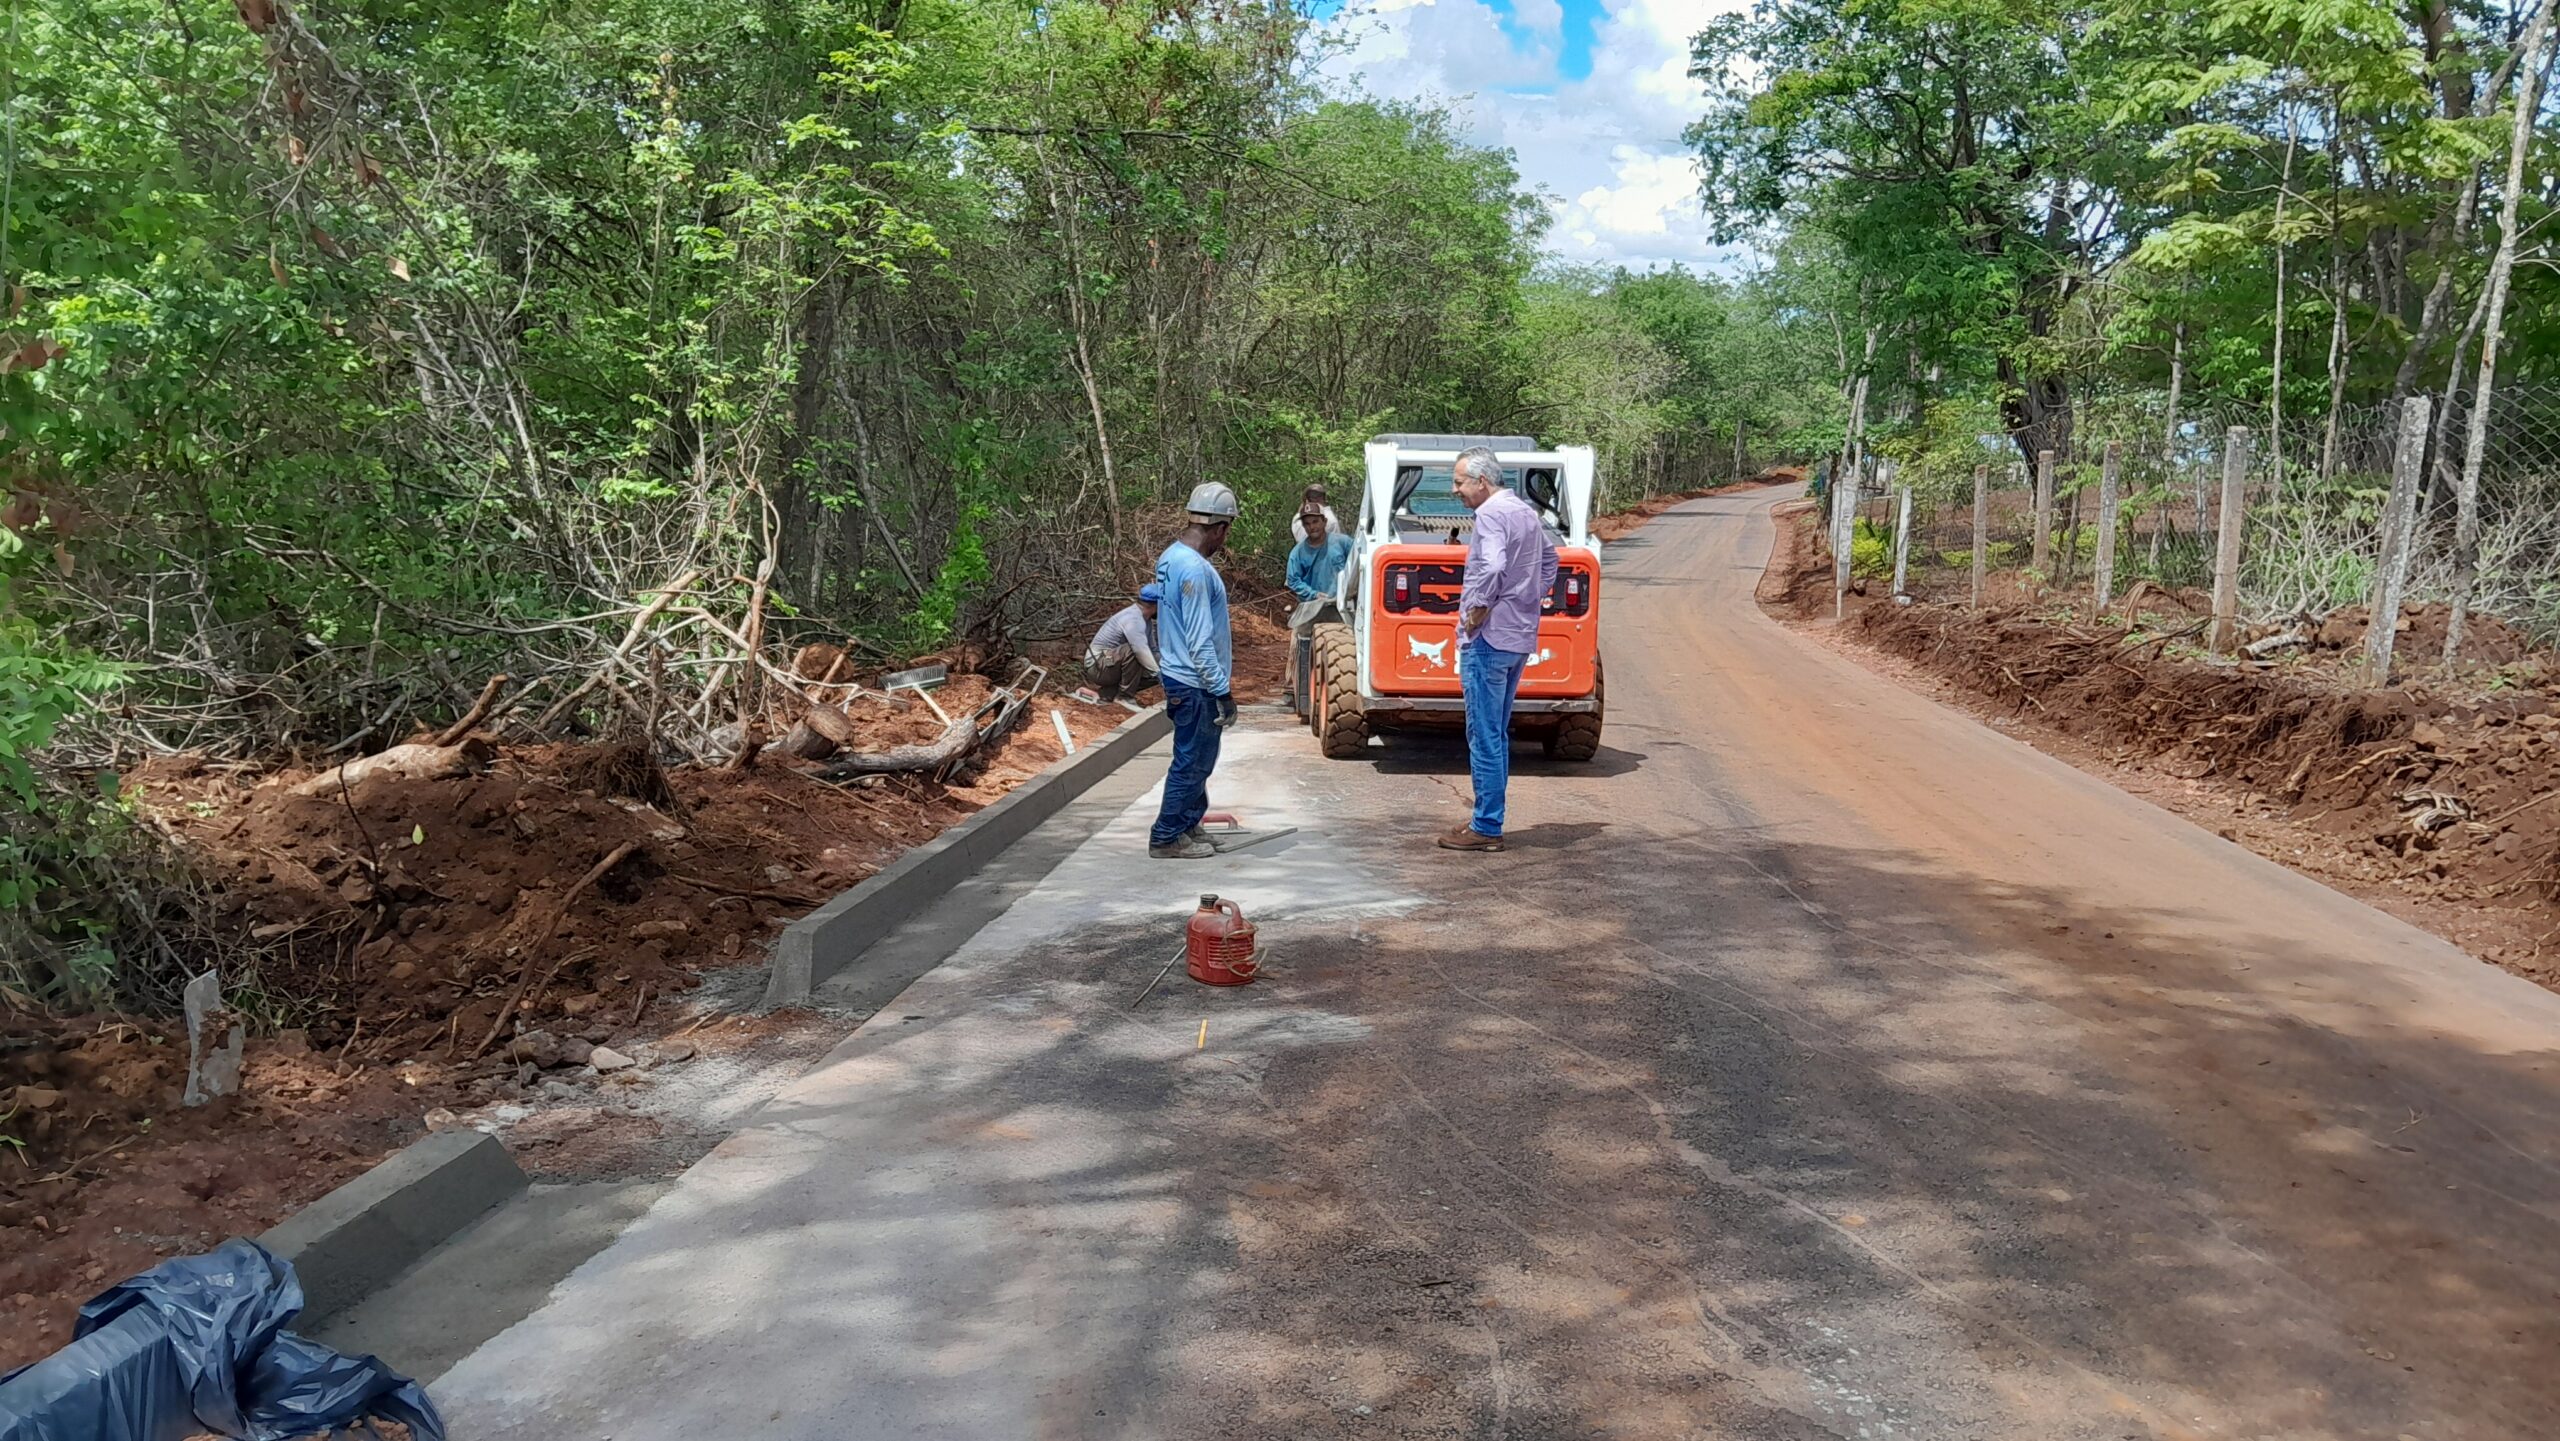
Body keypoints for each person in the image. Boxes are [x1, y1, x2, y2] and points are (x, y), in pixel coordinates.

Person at [1439, 446, 1555, 853]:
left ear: (1482, 481)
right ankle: (1486, 817)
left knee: (1484, 734)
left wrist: (1477, 611)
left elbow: (1491, 567)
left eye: (1458, 482)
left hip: (1488, 638)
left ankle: (1487, 826)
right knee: (1496, 732)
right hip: (1518, 636)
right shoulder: (1526, 513)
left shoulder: (1489, 514)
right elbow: (1550, 562)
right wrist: (1527, 598)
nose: (1455, 490)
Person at [1149, 481, 1240, 859]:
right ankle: (1167, 835)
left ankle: (1188, 824)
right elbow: (1200, 640)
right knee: (1191, 760)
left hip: (1178, 675)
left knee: (1199, 758)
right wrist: (1221, 690)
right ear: (1219, 528)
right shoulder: (1195, 571)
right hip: (1194, 681)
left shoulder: (1170, 558)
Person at [1075, 583, 1161, 704]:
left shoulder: (1146, 621)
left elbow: (1153, 651)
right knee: (1134, 652)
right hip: (1097, 666)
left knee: (1155, 667)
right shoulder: (1133, 619)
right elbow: (1140, 650)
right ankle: (1125, 697)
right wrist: (1157, 672)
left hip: (1110, 664)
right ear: (1156, 605)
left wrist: (1167, 669)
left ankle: (1107, 694)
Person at [1285, 504, 1353, 604]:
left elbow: (1359, 560)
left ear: (1324, 522)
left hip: (1343, 605)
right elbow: (1293, 580)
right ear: (1303, 526)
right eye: (1307, 524)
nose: (1312, 527)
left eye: (1315, 522)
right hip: (1312, 607)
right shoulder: (1297, 553)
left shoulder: (1343, 542)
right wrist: (1314, 594)